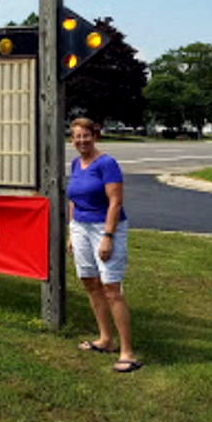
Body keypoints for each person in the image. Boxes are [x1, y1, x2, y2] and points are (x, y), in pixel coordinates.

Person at [67, 117, 142, 373]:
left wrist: (108, 236)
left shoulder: (107, 163)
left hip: (105, 227)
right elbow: (73, 200)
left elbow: (115, 202)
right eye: (77, 136)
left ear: (94, 136)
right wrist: (71, 232)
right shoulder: (76, 163)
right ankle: (105, 339)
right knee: (90, 282)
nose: (81, 141)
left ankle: (127, 352)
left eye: (86, 135)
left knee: (111, 288)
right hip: (80, 227)